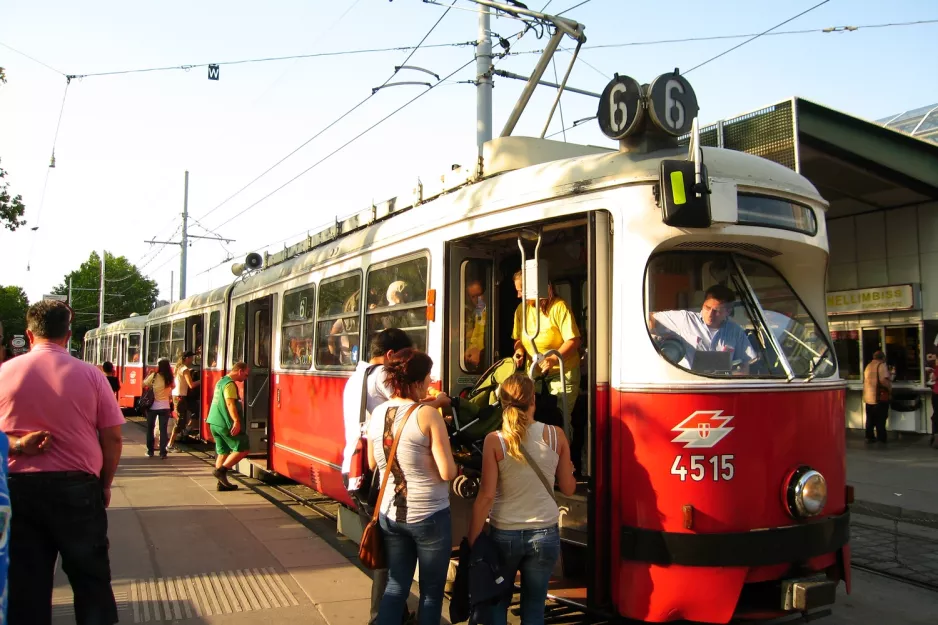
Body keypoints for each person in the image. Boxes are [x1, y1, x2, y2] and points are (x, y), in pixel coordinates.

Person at [0, 300, 124, 625]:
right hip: (78, 489)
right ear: (68, 335)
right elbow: (113, 438)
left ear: (29, 334)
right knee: (91, 582)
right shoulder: (92, 376)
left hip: (17, 491)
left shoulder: (4, 373)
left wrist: (16, 445)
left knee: (26, 587)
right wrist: (105, 484)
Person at [468, 373, 576, 625]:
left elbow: (486, 495)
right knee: (535, 607)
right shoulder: (555, 435)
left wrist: (473, 540)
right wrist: (568, 469)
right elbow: (569, 489)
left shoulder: (495, 441)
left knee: (497, 603)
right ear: (533, 401)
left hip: (505, 533)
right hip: (544, 533)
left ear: (502, 403)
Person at [367, 348, 457, 625]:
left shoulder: (377, 413)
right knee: (430, 593)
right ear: (417, 382)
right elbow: (447, 471)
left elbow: (373, 463)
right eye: (428, 377)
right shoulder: (429, 416)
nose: (430, 383)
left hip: (390, 515)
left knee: (396, 586)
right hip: (429, 515)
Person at [341, 328, 415, 625]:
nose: (405, 366)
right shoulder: (383, 375)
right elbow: (408, 408)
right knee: (386, 551)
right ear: (390, 356)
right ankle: (380, 618)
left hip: (353, 468)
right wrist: (440, 405)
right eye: (405, 358)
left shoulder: (354, 378)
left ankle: (397, 612)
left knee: (384, 545)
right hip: (373, 474)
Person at [511, 270, 581, 444]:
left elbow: (573, 341)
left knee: (559, 417)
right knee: (535, 418)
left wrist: (553, 358)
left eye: (521, 291)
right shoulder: (521, 310)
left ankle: (565, 458)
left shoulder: (559, 307)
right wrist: (519, 351)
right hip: (535, 372)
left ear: (535, 289)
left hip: (562, 373)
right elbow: (519, 339)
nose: (518, 295)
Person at [649, 284, 757, 374]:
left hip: (721, 388)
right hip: (689, 385)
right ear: (703, 304)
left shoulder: (735, 331)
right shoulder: (685, 319)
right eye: (707, 307)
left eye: (717, 311)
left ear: (728, 312)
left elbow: (745, 364)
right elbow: (649, 318)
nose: (710, 314)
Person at [206, 362, 251, 491]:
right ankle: (222, 470)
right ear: (240, 371)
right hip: (225, 424)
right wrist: (236, 421)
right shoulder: (230, 384)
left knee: (222, 452)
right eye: (246, 375)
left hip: (214, 422)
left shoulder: (221, 381)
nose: (245, 378)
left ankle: (221, 484)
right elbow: (230, 404)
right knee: (243, 447)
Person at [143, 358, 175, 459]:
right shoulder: (169, 378)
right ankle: (163, 453)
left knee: (150, 429)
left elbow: (143, 384)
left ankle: (150, 451)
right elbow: (173, 387)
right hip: (165, 406)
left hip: (153, 407)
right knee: (163, 430)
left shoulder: (154, 376)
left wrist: (149, 376)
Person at [169, 351, 200, 452]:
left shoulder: (178, 367)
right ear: (187, 358)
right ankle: (170, 444)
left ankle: (186, 431)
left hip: (178, 396)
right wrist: (202, 380)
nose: (192, 360)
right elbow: (191, 385)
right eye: (191, 358)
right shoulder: (185, 369)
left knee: (195, 409)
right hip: (180, 397)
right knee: (180, 421)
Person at [863, 351, 892, 444]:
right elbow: (883, 380)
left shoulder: (868, 366)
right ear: (883, 358)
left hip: (868, 397)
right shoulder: (881, 366)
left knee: (870, 419)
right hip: (879, 397)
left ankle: (869, 436)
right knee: (881, 419)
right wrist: (890, 388)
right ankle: (881, 438)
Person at [464, 280, 487, 372]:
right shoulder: (478, 311)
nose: (477, 299)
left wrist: (481, 353)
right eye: (473, 296)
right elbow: (473, 335)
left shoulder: (493, 311)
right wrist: (468, 350)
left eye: (479, 295)